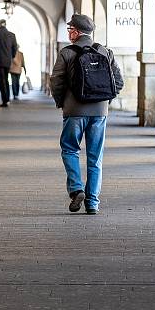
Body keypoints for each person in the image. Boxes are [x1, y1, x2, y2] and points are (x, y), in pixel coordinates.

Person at [49, 14, 124, 215]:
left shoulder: (67, 52)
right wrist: (104, 101)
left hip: (74, 111)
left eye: (69, 30)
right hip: (100, 112)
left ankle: (76, 189)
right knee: (95, 156)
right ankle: (92, 203)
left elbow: (56, 81)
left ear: (75, 31)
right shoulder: (105, 51)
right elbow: (119, 82)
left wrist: (62, 103)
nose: (69, 33)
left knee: (70, 149)